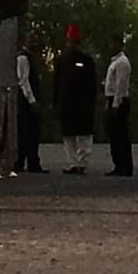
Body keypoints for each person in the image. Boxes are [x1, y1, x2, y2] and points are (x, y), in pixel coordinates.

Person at [54, 24, 99, 174]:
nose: (71, 45)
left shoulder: (86, 61)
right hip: (67, 103)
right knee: (69, 135)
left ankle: (82, 163)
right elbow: (57, 82)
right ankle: (73, 163)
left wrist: (92, 102)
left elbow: (92, 84)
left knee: (83, 135)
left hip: (83, 103)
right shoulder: (61, 61)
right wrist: (56, 101)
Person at [102, 37, 135, 177]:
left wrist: (116, 104)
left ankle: (124, 165)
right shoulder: (115, 61)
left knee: (119, 134)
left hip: (119, 100)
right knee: (114, 134)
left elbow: (120, 85)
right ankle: (119, 164)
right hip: (112, 98)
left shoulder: (122, 62)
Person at [12, 40, 44, 175]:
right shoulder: (23, 58)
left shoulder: (30, 58)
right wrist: (31, 100)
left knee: (31, 131)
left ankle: (31, 160)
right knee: (27, 131)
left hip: (30, 99)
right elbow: (24, 81)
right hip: (26, 101)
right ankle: (23, 161)